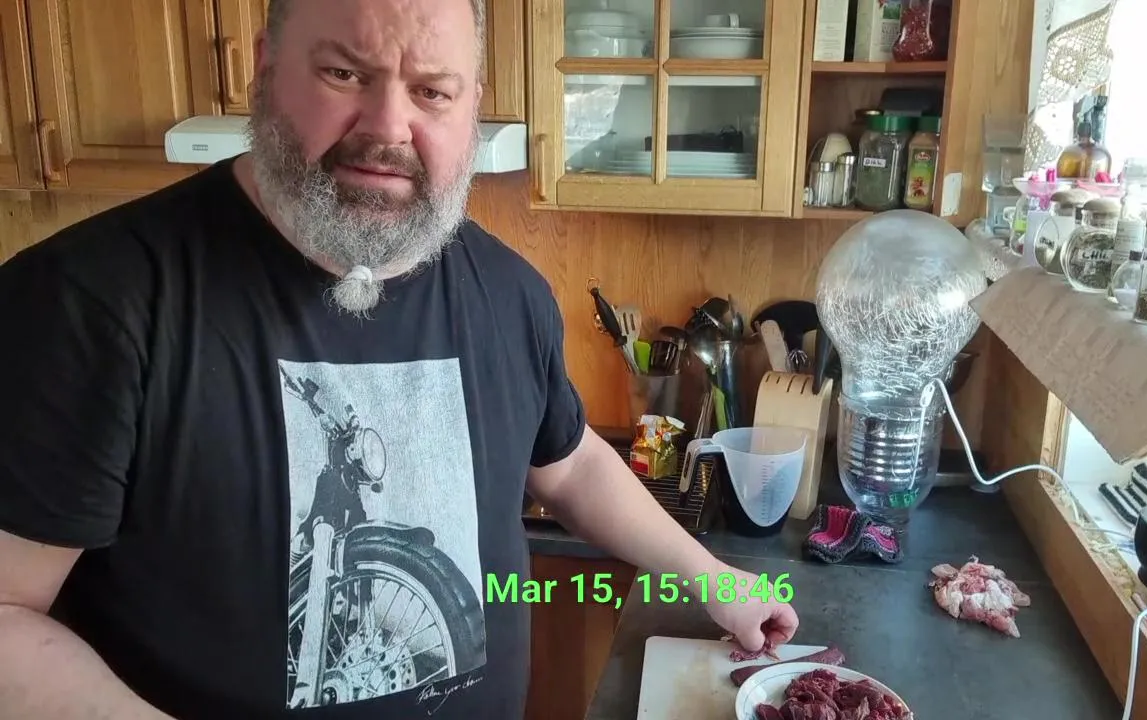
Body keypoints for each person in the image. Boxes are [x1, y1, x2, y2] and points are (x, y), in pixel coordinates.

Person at [0, 0, 799, 718]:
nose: (388, 126)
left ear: (471, 105)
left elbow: (569, 463)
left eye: (432, 91)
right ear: (265, 68)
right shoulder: (87, 304)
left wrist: (715, 579)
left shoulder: (510, 293)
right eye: (344, 72)